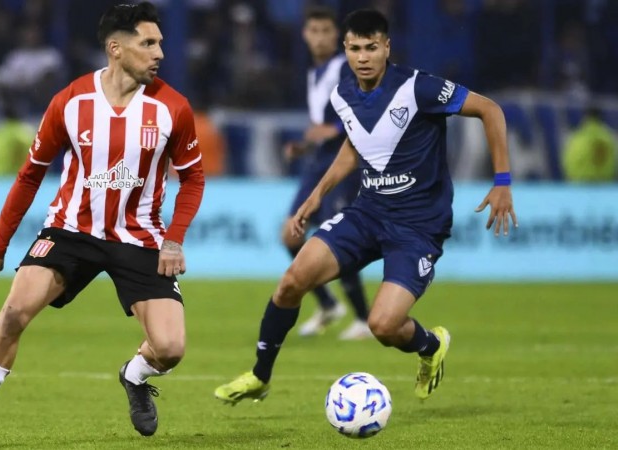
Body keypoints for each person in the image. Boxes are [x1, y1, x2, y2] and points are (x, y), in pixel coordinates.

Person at [214, 9, 517, 405]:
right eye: (355, 48)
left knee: (384, 325)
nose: (363, 57)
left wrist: (502, 182)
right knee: (291, 281)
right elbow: (357, 144)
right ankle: (259, 376)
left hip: (417, 226)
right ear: (346, 48)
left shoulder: (418, 87)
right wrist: (319, 192)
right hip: (368, 213)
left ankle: (430, 346)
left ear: (386, 47)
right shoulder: (343, 93)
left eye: (371, 47)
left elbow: (490, 109)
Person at [0, 3, 205, 447]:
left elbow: (193, 177)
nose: (160, 52)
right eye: (149, 43)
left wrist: (174, 240)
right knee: (12, 314)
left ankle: (134, 375)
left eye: (160, 42)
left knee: (171, 349)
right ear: (115, 48)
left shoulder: (172, 109)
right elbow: (30, 174)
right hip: (70, 231)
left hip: (139, 237)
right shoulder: (71, 101)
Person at [282, 6, 372, 340]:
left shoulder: (343, 68)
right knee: (291, 234)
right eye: (313, 31)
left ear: (336, 36)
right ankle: (329, 304)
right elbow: (323, 124)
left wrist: (331, 130)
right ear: (305, 34)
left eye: (325, 31)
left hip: (343, 162)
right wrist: (305, 145)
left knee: (339, 240)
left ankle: (363, 318)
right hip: (318, 160)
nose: (319, 37)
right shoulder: (314, 73)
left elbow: (361, 108)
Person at [561, 106, 617, 182]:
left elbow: (567, 162)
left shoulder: (576, 137)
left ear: (585, 118)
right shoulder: (609, 138)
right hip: (604, 183)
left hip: (580, 183)